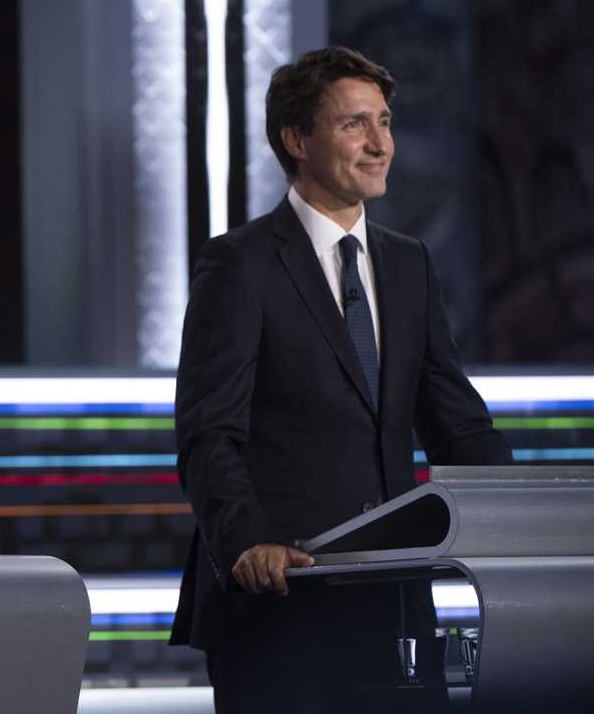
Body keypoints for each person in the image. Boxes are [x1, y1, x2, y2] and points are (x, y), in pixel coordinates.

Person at [170, 46, 512, 712]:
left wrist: (533, 516)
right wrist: (248, 543)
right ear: (298, 139)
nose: (380, 143)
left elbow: (458, 425)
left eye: (385, 122)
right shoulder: (239, 264)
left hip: (395, 611)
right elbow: (208, 432)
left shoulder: (409, 264)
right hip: (280, 609)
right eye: (355, 124)